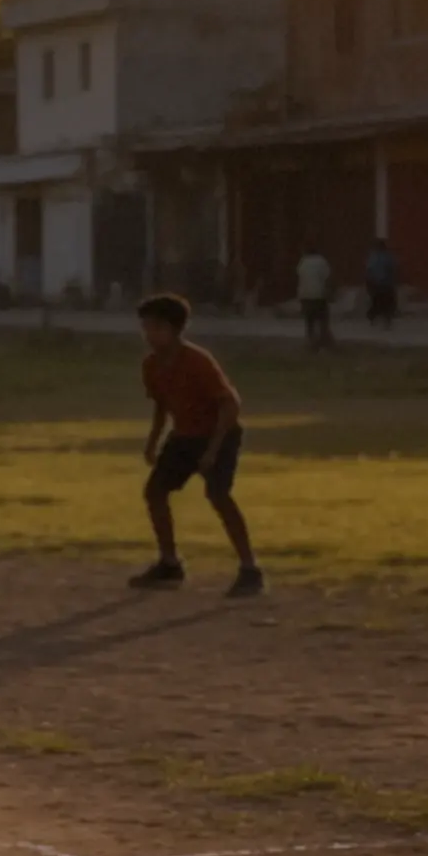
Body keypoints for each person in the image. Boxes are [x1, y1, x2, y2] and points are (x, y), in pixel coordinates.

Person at [129, 293, 263, 597]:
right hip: (184, 436)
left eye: (155, 328)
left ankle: (250, 569)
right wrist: (152, 443)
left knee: (217, 494)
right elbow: (162, 405)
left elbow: (230, 405)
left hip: (219, 433)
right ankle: (169, 563)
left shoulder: (197, 361)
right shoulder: (151, 365)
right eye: (145, 328)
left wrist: (214, 450)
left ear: (174, 330)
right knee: (155, 492)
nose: (148, 335)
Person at [293, 243, 333, 351]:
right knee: (322, 318)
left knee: (309, 320)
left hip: (305, 295)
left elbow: (300, 277)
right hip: (318, 295)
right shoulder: (321, 261)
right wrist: (329, 293)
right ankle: (324, 340)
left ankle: (310, 341)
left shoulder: (303, 262)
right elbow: (327, 277)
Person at [362, 239, 399, 330]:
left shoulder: (373, 257)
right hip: (386, 284)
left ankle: (373, 319)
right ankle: (387, 320)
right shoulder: (388, 257)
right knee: (388, 303)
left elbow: (368, 271)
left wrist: (368, 284)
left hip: (375, 284)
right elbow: (393, 270)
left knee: (376, 302)